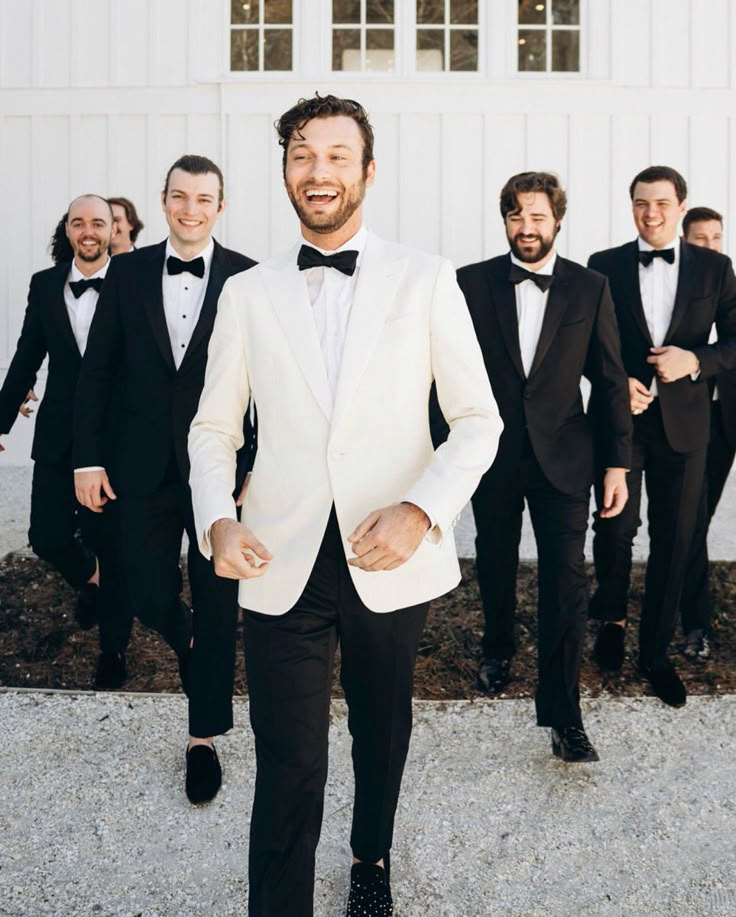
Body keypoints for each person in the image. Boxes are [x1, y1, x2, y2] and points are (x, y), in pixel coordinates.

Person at [188, 94, 502, 917]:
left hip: (388, 554)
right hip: (277, 555)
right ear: (286, 171)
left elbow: (478, 421)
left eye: (335, 155)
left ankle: (371, 854)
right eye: (301, 154)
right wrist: (216, 517)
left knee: (379, 729)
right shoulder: (248, 293)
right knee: (289, 757)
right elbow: (214, 427)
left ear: (367, 170)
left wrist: (422, 509)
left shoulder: (428, 278)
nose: (317, 170)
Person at [74, 155, 256, 805]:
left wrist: (252, 466)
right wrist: (85, 459)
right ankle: (182, 634)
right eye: (179, 197)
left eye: (203, 199)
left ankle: (202, 738)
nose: (190, 209)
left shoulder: (248, 278)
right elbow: (97, 371)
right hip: (138, 465)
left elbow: (267, 384)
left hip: (219, 473)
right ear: (164, 200)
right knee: (143, 583)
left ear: (220, 206)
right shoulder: (124, 273)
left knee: (218, 600)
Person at [457, 171, 631, 763]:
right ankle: (498, 645)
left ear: (558, 219)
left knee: (566, 581)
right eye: (515, 216)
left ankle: (564, 714)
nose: (526, 228)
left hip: (566, 458)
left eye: (536, 217)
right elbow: (445, 378)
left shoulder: (591, 288)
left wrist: (617, 465)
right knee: (496, 561)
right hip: (494, 457)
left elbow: (609, 383)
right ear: (503, 219)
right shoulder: (471, 284)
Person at [588, 166, 736, 707]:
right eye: (640, 204)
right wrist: (615, 382)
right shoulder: (603, 266)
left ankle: (655, 653)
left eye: (661, 204)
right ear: (631, 206)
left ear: (680, 206)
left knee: (674, 539)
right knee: (613, 526)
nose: (650, 213)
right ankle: (611, 619)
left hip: (686, 425)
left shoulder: (715, 267)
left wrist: (695, 358)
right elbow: (582, 344)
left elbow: (734, 340)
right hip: (622, 422)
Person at [0, 196, 116, 636]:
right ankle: (93, 580)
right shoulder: (44, 284)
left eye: (98, 223)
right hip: (57, 431)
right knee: (47, 536)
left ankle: (112, 643)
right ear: (67, 230)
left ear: (111, 231)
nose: (88, 231)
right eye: (79, 222)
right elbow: (27, 354)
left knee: (105, 534)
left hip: (111, 436)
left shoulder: (130, 281)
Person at [680, 207, 735, 659]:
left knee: (699, 520)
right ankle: (695, 622)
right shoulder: (672, 293)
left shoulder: (729, 286)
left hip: (725, 422)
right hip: (684, 422)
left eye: (716, 238)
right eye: (701, 239)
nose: (711, 247)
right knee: (691, 520)